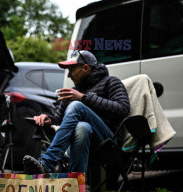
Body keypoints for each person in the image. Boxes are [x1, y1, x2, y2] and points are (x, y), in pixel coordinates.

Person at [23, 50, 130, 178]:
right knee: (82, 127)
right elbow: (59, 118)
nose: (68, 75)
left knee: (76, 105)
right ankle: (75, 188)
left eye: (71, 69)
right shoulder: (74, 91)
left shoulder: (111, 82)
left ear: (85, 68)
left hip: (108, 142)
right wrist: (49, 119)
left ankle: (48, 161)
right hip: (82, 140)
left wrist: (83, 98)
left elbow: (123, 109)